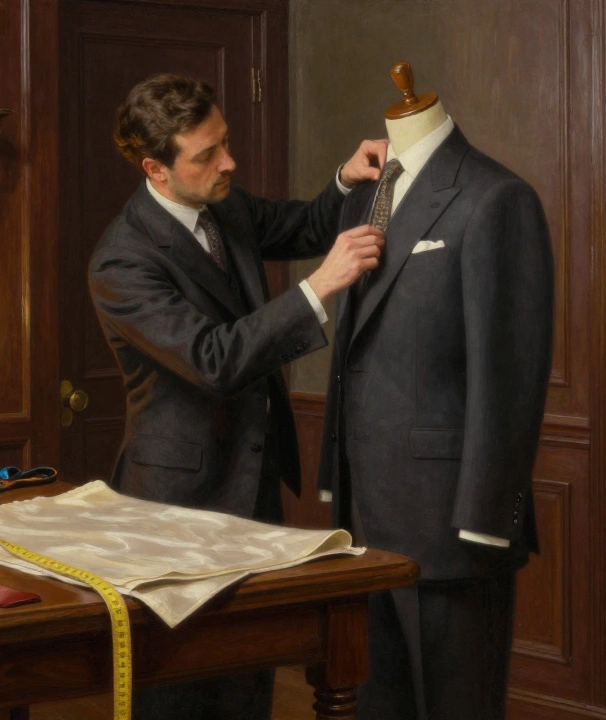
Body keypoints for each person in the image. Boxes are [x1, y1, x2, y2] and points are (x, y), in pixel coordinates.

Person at [87, 72, 386, 720]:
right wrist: (319, 288)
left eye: (225, 142)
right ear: (155, 169)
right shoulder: (122, 262)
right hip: (173, 509)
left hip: (252, 485)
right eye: (207, 154)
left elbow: (303, 225)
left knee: (248, 677)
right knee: (180, 689)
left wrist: (345, 178)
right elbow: (213, 359)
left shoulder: (222, 203)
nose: (229, 162)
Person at [318, 73, 553, 719]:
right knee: (377, 706)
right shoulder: (366, 197)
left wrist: (483, 518)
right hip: (365, 521)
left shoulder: (496, 197)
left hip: (452, 525)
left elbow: (511, 374)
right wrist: (333, 481)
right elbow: (352, 354)